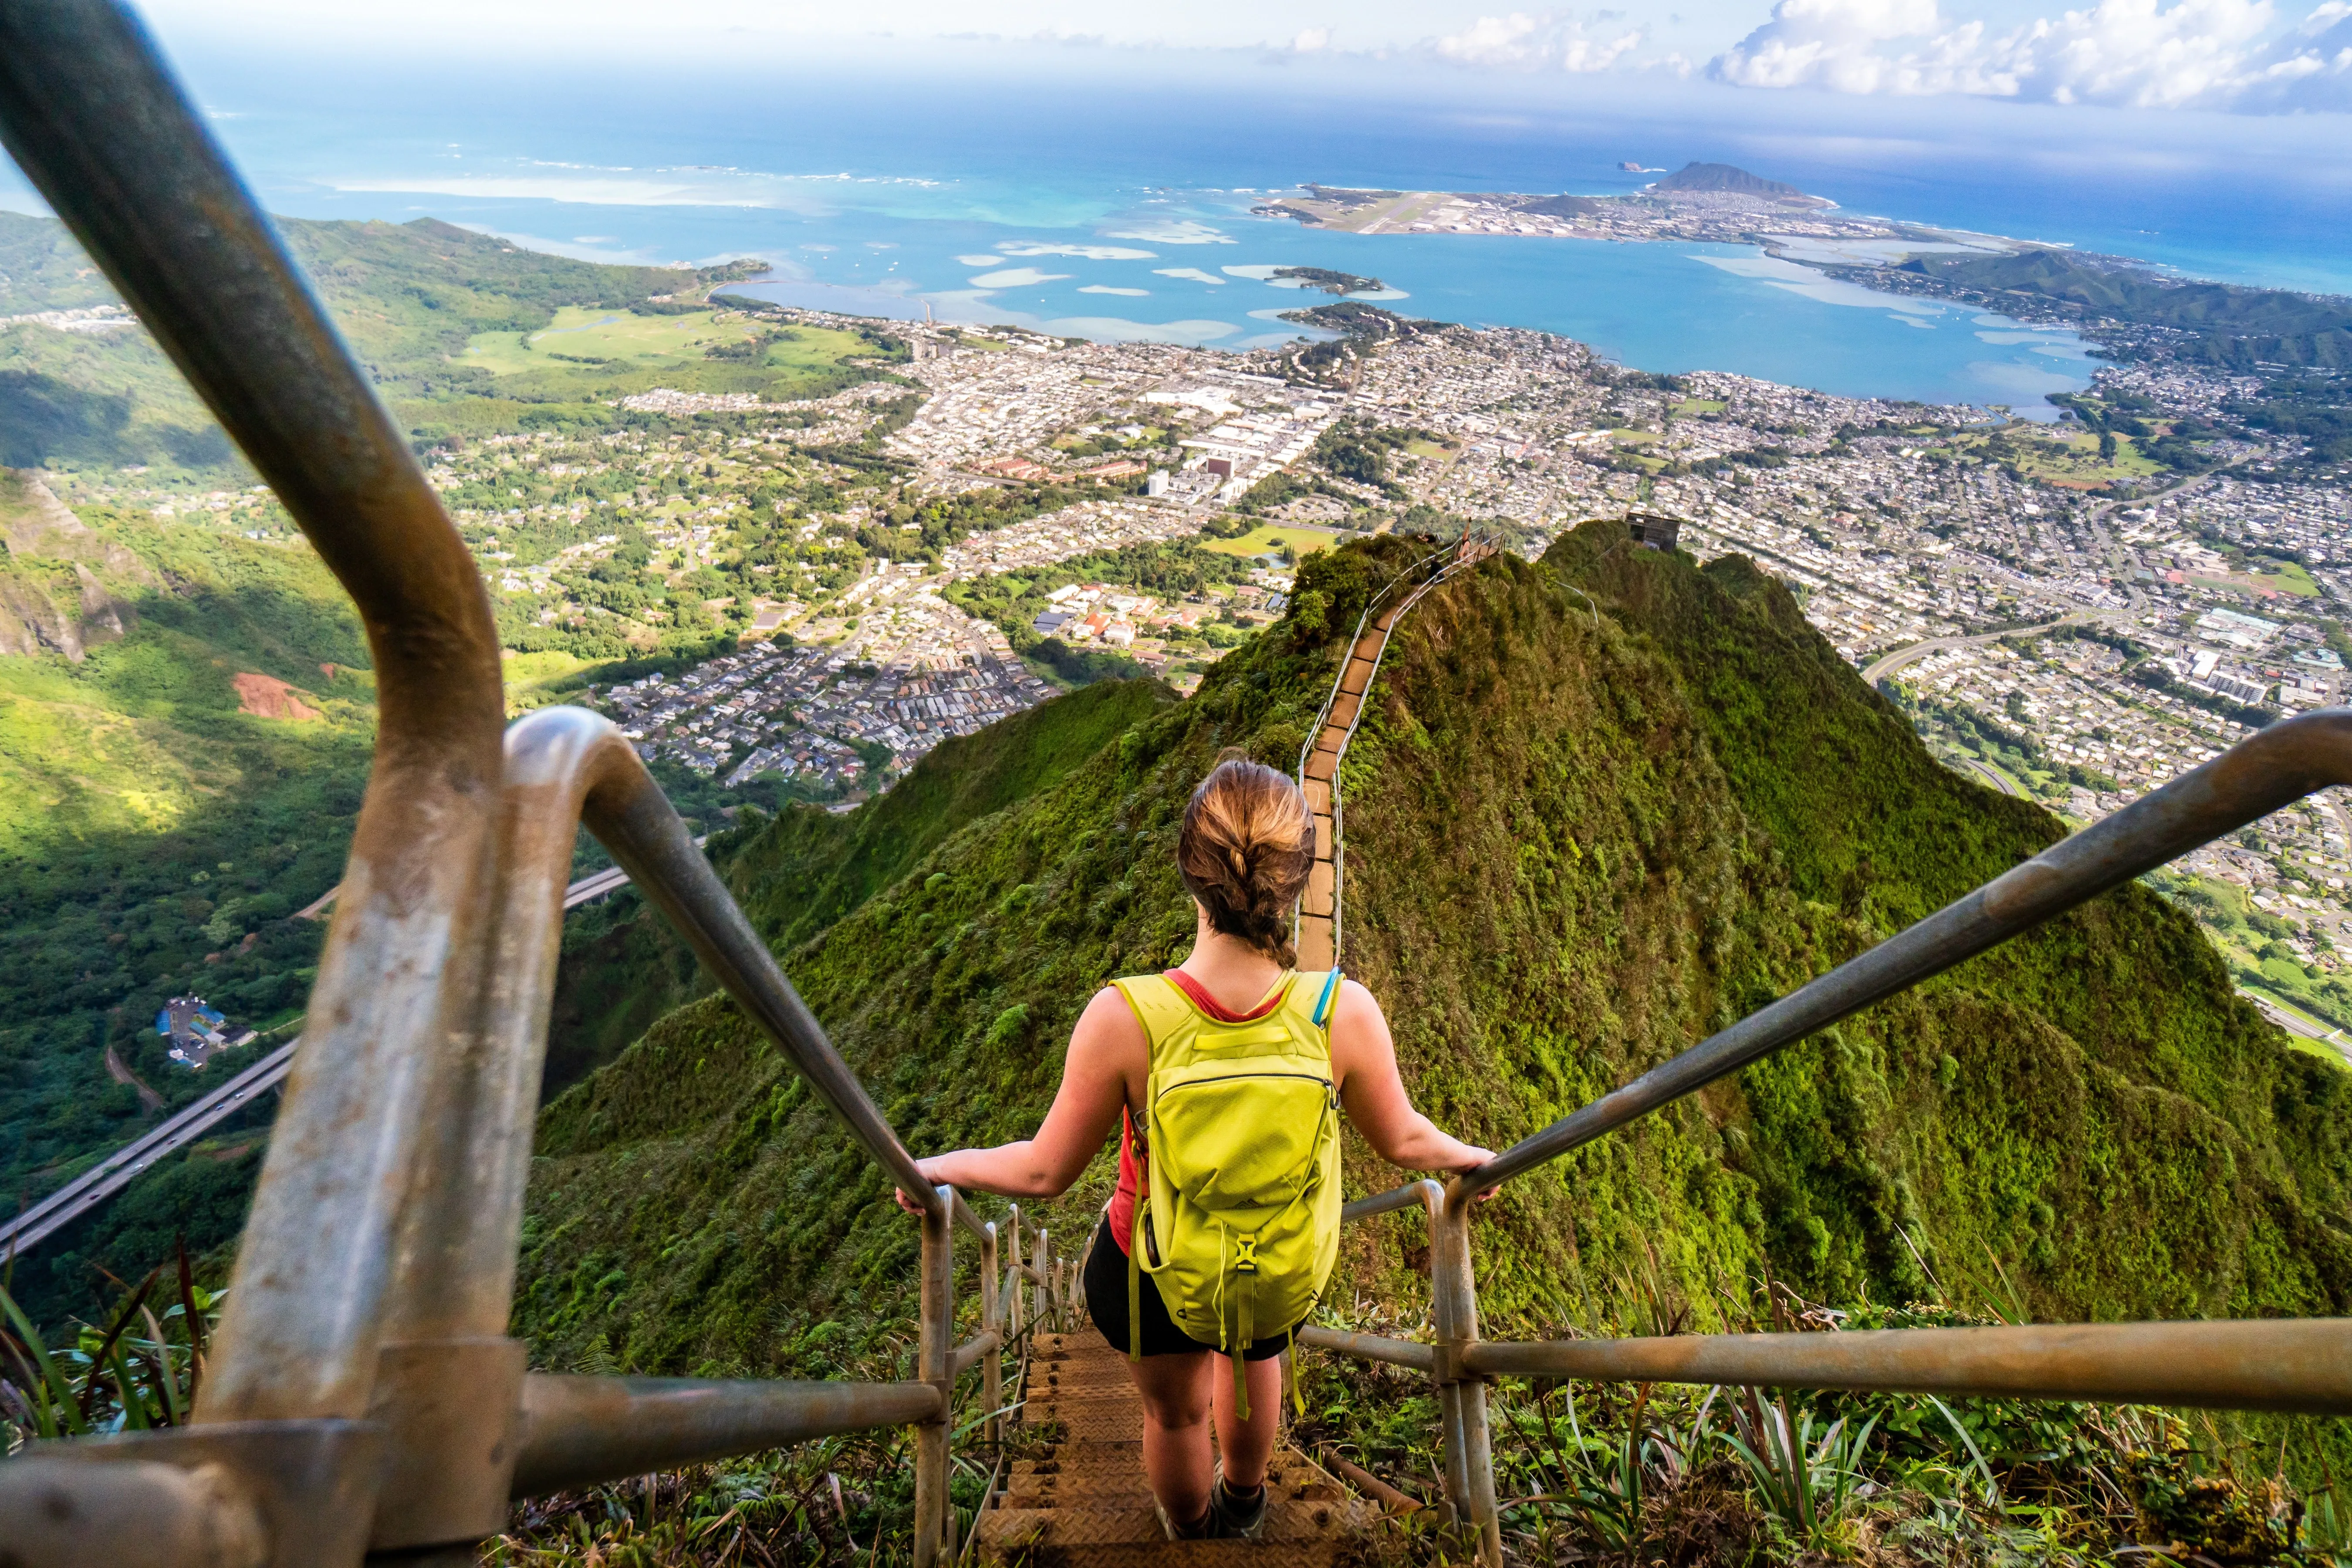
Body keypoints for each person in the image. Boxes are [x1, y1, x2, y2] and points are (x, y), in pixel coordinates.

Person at [897, 751, 1494, 1540]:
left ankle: (1186, 1528)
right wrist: (1470, 1160)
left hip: (1148, 1264)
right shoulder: (1338, 1012)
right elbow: (1404, 1138)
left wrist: (937, 1169)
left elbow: (1044, 1169)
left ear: (1189, 871)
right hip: (1275, 1259)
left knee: (1175, 1414)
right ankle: (1245, 1504)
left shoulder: (1127, 1016)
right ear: (1299, 882)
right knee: (1255, 1363)